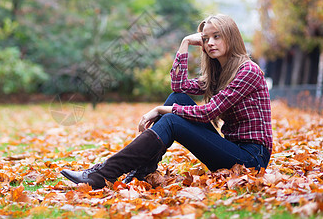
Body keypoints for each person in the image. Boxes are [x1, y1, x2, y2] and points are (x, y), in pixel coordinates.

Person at [61, 14, 273, 189]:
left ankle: (104, 173)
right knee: (177, 99)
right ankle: (143, 169)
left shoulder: (248, 71)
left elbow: (207, 112)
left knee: (171, 118)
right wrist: (185, 43)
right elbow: (178, 87)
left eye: (217, 36)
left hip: (251, 159)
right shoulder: (219, 74)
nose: (210, 43)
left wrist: (161, 109)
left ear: (231, 36)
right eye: (206, 38)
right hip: (230, 149)